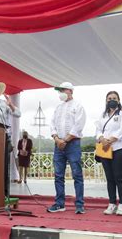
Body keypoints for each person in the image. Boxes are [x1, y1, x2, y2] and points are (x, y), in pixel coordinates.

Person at [47, 82, 86, 214]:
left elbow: (78, 125)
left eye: (62, 90)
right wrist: (57, 139)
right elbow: (52, 124)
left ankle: (79, 205)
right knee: (58, 175)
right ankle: (59, 203)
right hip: (58, 145)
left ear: (70, 91)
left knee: (77, 174)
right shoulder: (58, 108)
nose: (60, 93)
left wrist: (65, 140)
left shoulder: (78, 106)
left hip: (73, 144)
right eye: (59, 91)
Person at [95, 91, 122, 216]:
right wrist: (102, 138)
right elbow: (98, 129)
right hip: (105, 150)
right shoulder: (102, 115)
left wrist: (109, 140)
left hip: (119, 149)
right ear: (106, 101)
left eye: (114, 98)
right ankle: (111, 203)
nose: (112, 100)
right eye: (109, 98)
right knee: (110, 179)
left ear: (119, 100)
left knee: (118, 177)